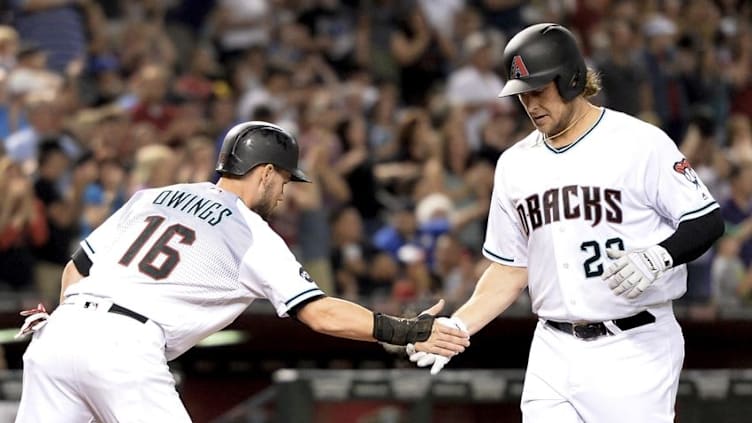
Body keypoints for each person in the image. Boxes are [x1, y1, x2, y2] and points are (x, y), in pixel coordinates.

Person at [13, 121, 470, 422]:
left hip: (59, 332)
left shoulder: (153, 195)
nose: (285, 192)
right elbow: (320, 314)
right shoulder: (249, 230)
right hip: (124, 348)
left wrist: (75, 319)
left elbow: (76, 269)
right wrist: (405, 330)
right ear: (266, 173)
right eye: (286, 180)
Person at [406, 23, 724, 423]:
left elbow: (707, 220)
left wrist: (660, 256)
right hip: (552, 349)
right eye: (522, 94)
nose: (530, 104)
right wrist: (458, 324)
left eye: (539, 90)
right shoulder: (515, 164)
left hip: (634, 346)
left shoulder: (639, 143)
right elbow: (509, 269)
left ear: (573, 79)